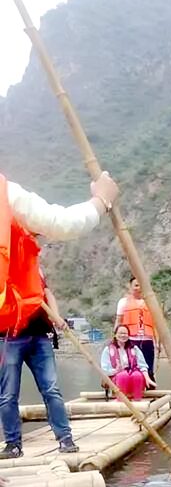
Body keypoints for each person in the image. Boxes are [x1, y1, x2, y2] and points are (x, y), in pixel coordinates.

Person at [0, 171, 119, 459]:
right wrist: (101, 201)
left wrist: (57, 317)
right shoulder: (8, 199)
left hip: (36, 332)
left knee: (50, 389)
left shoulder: (32, 264)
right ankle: (13, 444)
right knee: (8, 394)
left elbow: (45, 293)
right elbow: (61, 223)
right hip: (7, 334)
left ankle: (65, 438)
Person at [115, 277, 156, 381]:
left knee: (148, 369)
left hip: (147, 340)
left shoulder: (151, 302)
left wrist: (158, 343)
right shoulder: (123, 302)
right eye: (136, 285)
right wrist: (116, 339)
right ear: (131, 287)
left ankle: (150, 387)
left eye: (141, 285)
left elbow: (156, 325)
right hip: (130, 340)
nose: (139, 288)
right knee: (131, 368)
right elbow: (119, 321)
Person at [101, 324, 154, 400]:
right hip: (116, 378)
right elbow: (105, 370)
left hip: (132, 374)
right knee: (123, 375)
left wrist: (147, 378)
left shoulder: (134, 348)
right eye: (120, 333)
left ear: (128, 335)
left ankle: (137, 399)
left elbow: (142, 365)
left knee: (137, 375)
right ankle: (121, 401)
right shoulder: (108, 350)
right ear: (115, 335)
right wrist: (116, 370)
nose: (123, 335)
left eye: (125, 333)